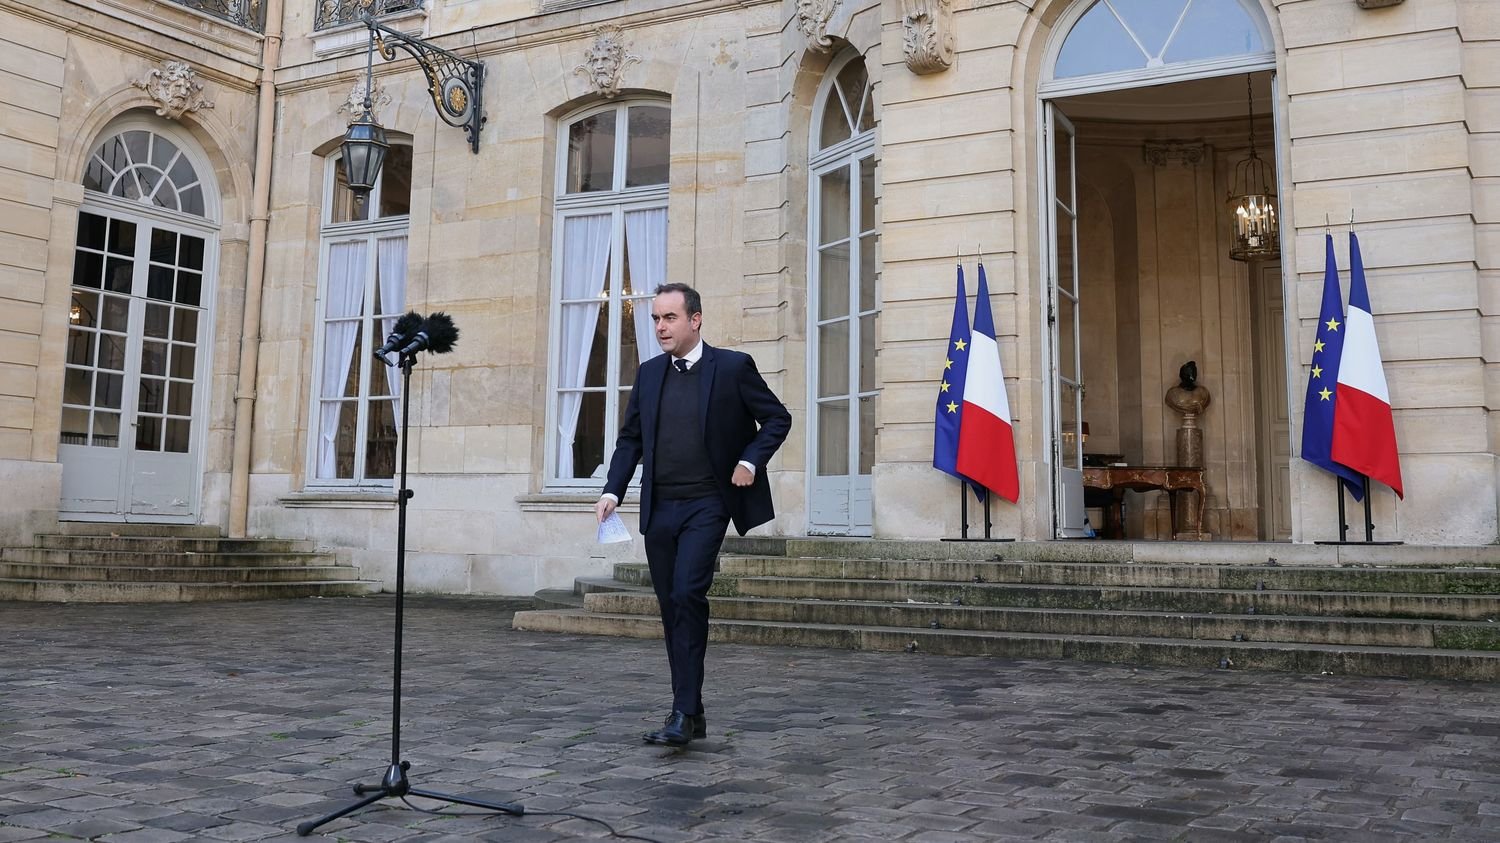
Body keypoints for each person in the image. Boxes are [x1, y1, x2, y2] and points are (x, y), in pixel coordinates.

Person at [596, 283, 791, 747]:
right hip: (660, 507)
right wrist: (612, 490)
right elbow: (631, 441)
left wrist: (749, 461)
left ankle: (683, 710)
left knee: (687, 592)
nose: (661, 327)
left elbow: (777, 418)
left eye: (670, 318)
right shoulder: (648, 375)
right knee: (671, 606)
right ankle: (690, 709)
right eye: (656, 319)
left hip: (708, 503)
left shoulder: (731, 368)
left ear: (695, 319)